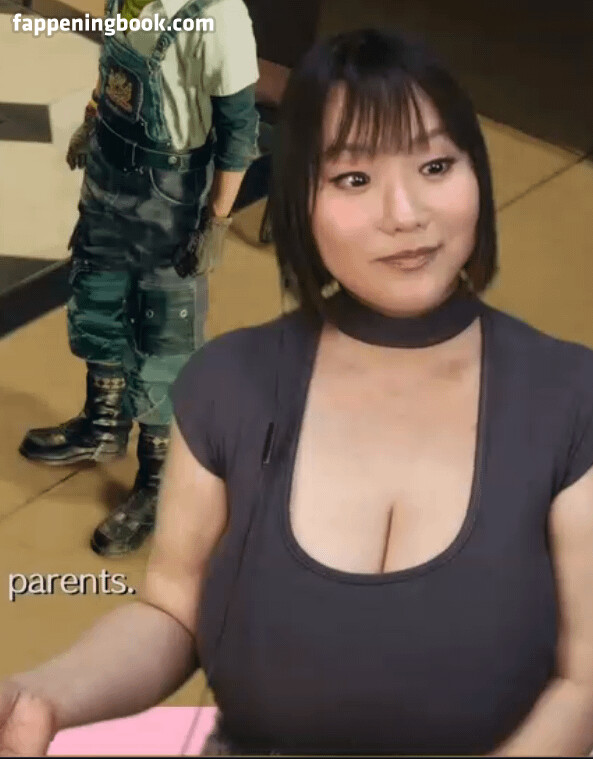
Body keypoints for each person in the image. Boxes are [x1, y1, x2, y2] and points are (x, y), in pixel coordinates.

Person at [4, 27, 593, 756]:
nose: (405, 213)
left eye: (436, 165)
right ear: (298, 199)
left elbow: (582, 681)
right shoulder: (228, 384)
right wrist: (45, 693)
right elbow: (172, 612)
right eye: (354, 179)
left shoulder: (570, 398)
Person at [18, 0, 260, 557]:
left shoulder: (218, 15)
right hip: (108, 177)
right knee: (96, 301)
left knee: (163, 341)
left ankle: (158, 482)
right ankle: (102, 425)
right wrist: (92, 121)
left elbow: (239, 129)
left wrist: (217, 222)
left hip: (170, 201)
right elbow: (114, 71)